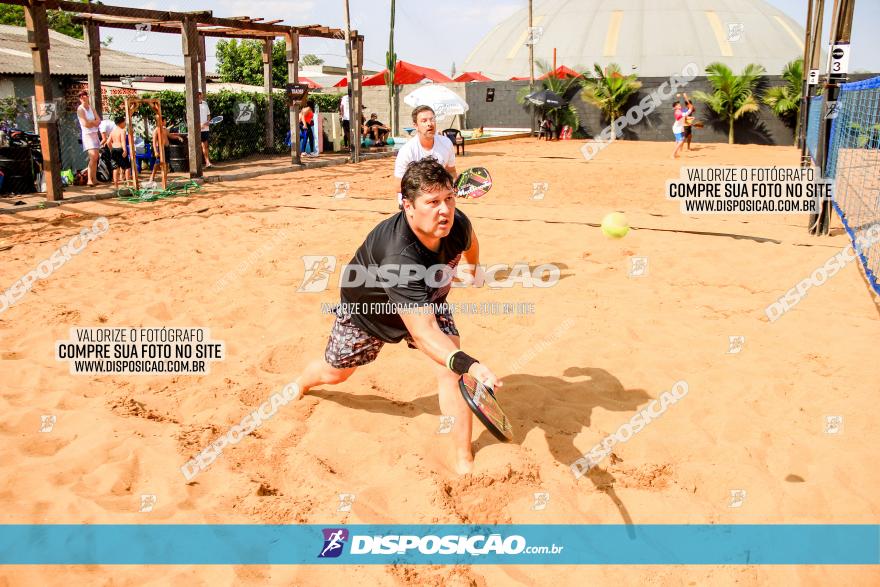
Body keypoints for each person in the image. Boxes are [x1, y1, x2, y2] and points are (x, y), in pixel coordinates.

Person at [291, 157, 502, 475]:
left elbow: (471, 241)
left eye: (449, 199)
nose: (444, 210)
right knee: (336, 373)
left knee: (450, 372)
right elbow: (424, 332)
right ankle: (301, 383)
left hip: (426, 300)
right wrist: (472, 364)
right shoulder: (398, 256)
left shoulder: (456, 223)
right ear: (408, 206)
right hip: (369, 313)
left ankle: (463, 458)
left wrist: (472, 268)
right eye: (432, 202)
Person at [393, 106, 457, 208]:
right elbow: (398, 185)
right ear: (416, 125)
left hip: (439, 200)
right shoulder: (407, 150)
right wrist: (432, 191)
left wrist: (453, 187)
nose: (429, 123)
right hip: (413, 203)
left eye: (432, 119)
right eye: (424, 121)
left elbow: (451, 171)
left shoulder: (446, 143)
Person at [76, 91, 101, 186]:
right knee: (93, 156)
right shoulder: (80, 109)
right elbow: (85, 124)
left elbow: (98, 120)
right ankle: (89, 180)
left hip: (94, 133)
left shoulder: (91, 107)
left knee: (96, 158)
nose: (83, 97)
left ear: (87, 96)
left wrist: (92, 122)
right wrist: (93, 122)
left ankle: (94, 179)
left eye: (84, 95)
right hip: (87, 135)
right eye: (80, 96)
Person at [107, 116, 129, 190]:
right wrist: (125, 150)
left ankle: (116, 186)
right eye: (124, 122)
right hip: (120, 149)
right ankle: (127, 185)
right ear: (121, 123)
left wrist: (111, 149)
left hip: (114, 149)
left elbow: (108, 142)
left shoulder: (112, 132)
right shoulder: (122, 131)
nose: (125, 123)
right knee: (126, 167)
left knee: (115, 168)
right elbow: (123, 141)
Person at [671, 93, 692, 159]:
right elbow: (679, 116)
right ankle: (673, 154)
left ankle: (676, 153)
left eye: (679, 104)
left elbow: (690, 107)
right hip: (677, 129)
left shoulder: (681, 111)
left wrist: (686, 98)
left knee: (678, 141)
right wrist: (685, 114)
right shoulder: (677, 112)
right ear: (675, 107)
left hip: (681, 128)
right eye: (677, 105)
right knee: (681, 141)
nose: (679, 105)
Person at [198, 92, 213, 168]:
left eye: (200, 93)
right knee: (197, 147)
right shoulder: (193, 104)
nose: (199, 95)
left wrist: (208, 122)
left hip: (205, 129)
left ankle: (207, 162)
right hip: (197, 130)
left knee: (205, 146)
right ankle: (197, 165)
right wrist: (198, 126)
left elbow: (208, 115)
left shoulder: (205, 104)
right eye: (198, 93)